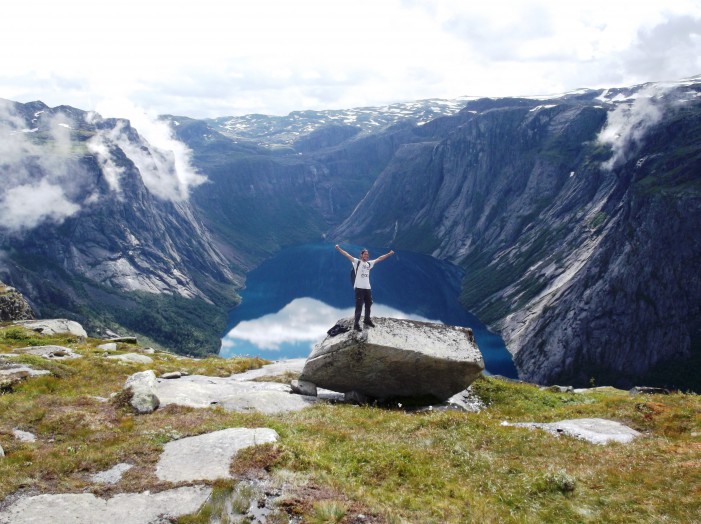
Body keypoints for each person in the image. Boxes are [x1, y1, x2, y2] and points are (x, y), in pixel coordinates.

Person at [335, 244, 394, 331]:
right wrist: (338, 248)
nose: (366, 256)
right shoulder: (357, 262)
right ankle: (356, 324)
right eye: (365, 254)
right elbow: (347, 255)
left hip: (367, 288)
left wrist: (389, 254)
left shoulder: (369, 264)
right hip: (359, 288)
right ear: (361, 255)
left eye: (367, 255)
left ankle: (367, 320)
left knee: (368, 304)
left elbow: (379, 258)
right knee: (359, 306)